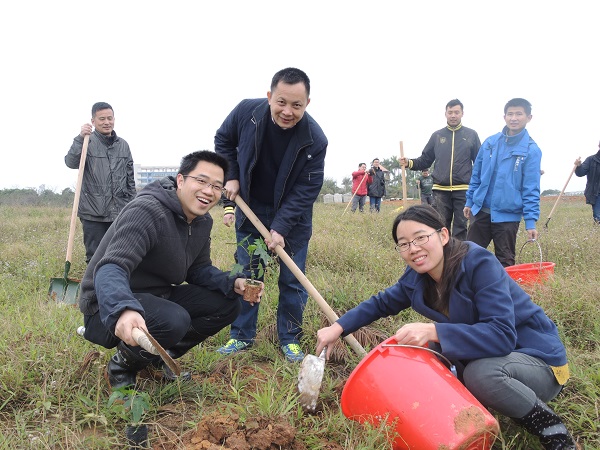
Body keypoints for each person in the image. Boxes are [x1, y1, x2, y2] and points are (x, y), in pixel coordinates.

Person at [315, 205, 576, 450]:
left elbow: (502, 336)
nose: (413, 249)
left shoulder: (479, 264)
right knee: (418, 349)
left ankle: (552, 429)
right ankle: (457, 414)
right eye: (404, 244)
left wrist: (434, 330)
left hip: (540, 363)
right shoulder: (417, 279)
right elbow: (381, 303)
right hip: (497, 358)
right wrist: (337, 327)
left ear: (443, 235)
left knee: (479, 374)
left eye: (420, 238)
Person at [78, 151, 255, 389]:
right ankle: (121, 367)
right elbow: (111, 267)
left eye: (216, 186)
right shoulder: (147, 210)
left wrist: (231, 283)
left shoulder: (202, 221)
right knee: (173, 319)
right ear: (180, 180)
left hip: (155, 296)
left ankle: (155, 357)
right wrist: (123, 309)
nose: (208, 191)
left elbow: (198, 268)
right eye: (201, 181)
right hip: (106, 306)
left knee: (227, 304)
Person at [215, 67, 328, 363]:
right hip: (251, 207)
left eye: (296, 105)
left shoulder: (315, 139)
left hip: (292, 217)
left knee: (292, 279)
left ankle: (289, 338)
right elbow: (223, 141)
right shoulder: (246, 112)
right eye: (281, 102)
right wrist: (232, 175)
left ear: (307, 104)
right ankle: (241, 335)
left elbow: (307, 188)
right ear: (269, 97)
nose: (288, 111)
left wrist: (280, 227)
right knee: (249, 273)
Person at [464, 98, 541, 267]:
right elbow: (476, 174)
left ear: (529, 117)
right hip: (481, 211)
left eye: (519, 114)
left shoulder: (531, 150)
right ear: (504, 116)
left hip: (507, 216)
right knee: (467, 257)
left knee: (505, 261)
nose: (514, 118)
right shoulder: (490, 143)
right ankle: (467, 291)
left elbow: (531, 189)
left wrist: (530, 221)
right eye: (510, 114)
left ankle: (504, 292)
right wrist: (470, 201)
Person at [65, 102, 136, 263]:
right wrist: (79, 138)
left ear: (114, 119)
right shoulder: (86, 142)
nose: (106, 122)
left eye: (109, 118)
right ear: (93, 121)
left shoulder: (123, 145)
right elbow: (70, 162)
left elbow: (130, 180)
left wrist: (132, 206)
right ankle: (93, 287)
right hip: (93, 212)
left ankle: (117, 286)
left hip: (119, 211)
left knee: (120, 254)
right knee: (95, 256)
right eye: (102, 119)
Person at [399, 99, 481, 240]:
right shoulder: (437, 136)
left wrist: (478, 186)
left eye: (456, 112)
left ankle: (459, 258)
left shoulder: (471, 135)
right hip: (440, 191)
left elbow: (480, 162)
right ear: (445, 114)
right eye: (450, 112)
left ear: (462, 114)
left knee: (461, 227)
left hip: (464, 190)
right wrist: (409, 163)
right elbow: (425, 159)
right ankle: (443, 257)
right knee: (440, 226)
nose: (453, 115)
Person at [574, 142, 600, 224]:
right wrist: (578, 166)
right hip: (596, 193)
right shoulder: (591, 160)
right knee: (598, 218)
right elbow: (580, 173)